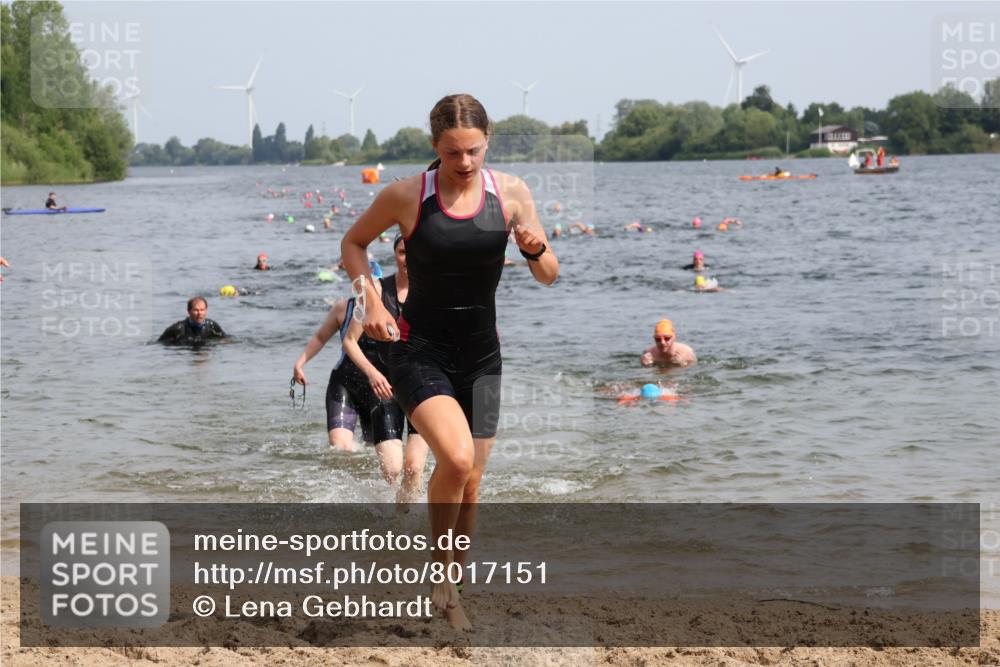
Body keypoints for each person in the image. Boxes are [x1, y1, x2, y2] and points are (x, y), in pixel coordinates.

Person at [340, 94, 559, 630]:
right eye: (453, 152)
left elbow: (549, 274)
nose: (464, 163)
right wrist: (369, 296)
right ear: (435, 146)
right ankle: (439, 578)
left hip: (484, 354)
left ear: (488, 142)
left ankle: (453, 588)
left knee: (474, 480)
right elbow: (354, 242)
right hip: (420, 351)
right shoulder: (407, 195)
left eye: (474, 151)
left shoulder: (511, 193)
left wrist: (533, 249)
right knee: (456, 462)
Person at [158, 297, 226, 345]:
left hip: (205, 353)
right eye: (196, 310)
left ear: (206, 311)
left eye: (202, 310)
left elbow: (226, 339)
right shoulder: (177, 329)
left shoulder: (212, 326)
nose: (199, 313)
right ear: (189, 311)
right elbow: (159, 344)